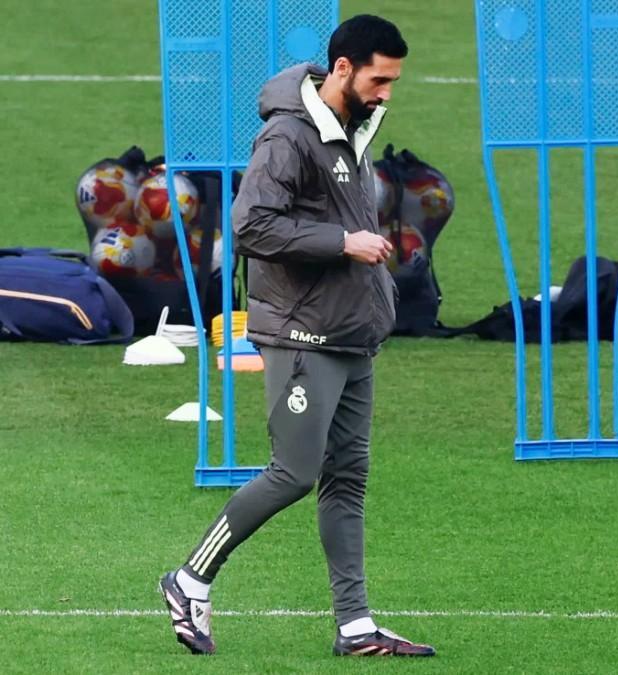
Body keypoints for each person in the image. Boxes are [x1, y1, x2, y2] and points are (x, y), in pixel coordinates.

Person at [158, 15, 435, 658]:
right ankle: (189, 578)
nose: (388, 91)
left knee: (348, 477)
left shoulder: (352, 127)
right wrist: (343, 242)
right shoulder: (288, 136)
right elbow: (250, 227)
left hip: (351, 332)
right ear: (343, 69)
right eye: (379, 78)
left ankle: (355, 626)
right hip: (303, 335)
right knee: (294, 472)